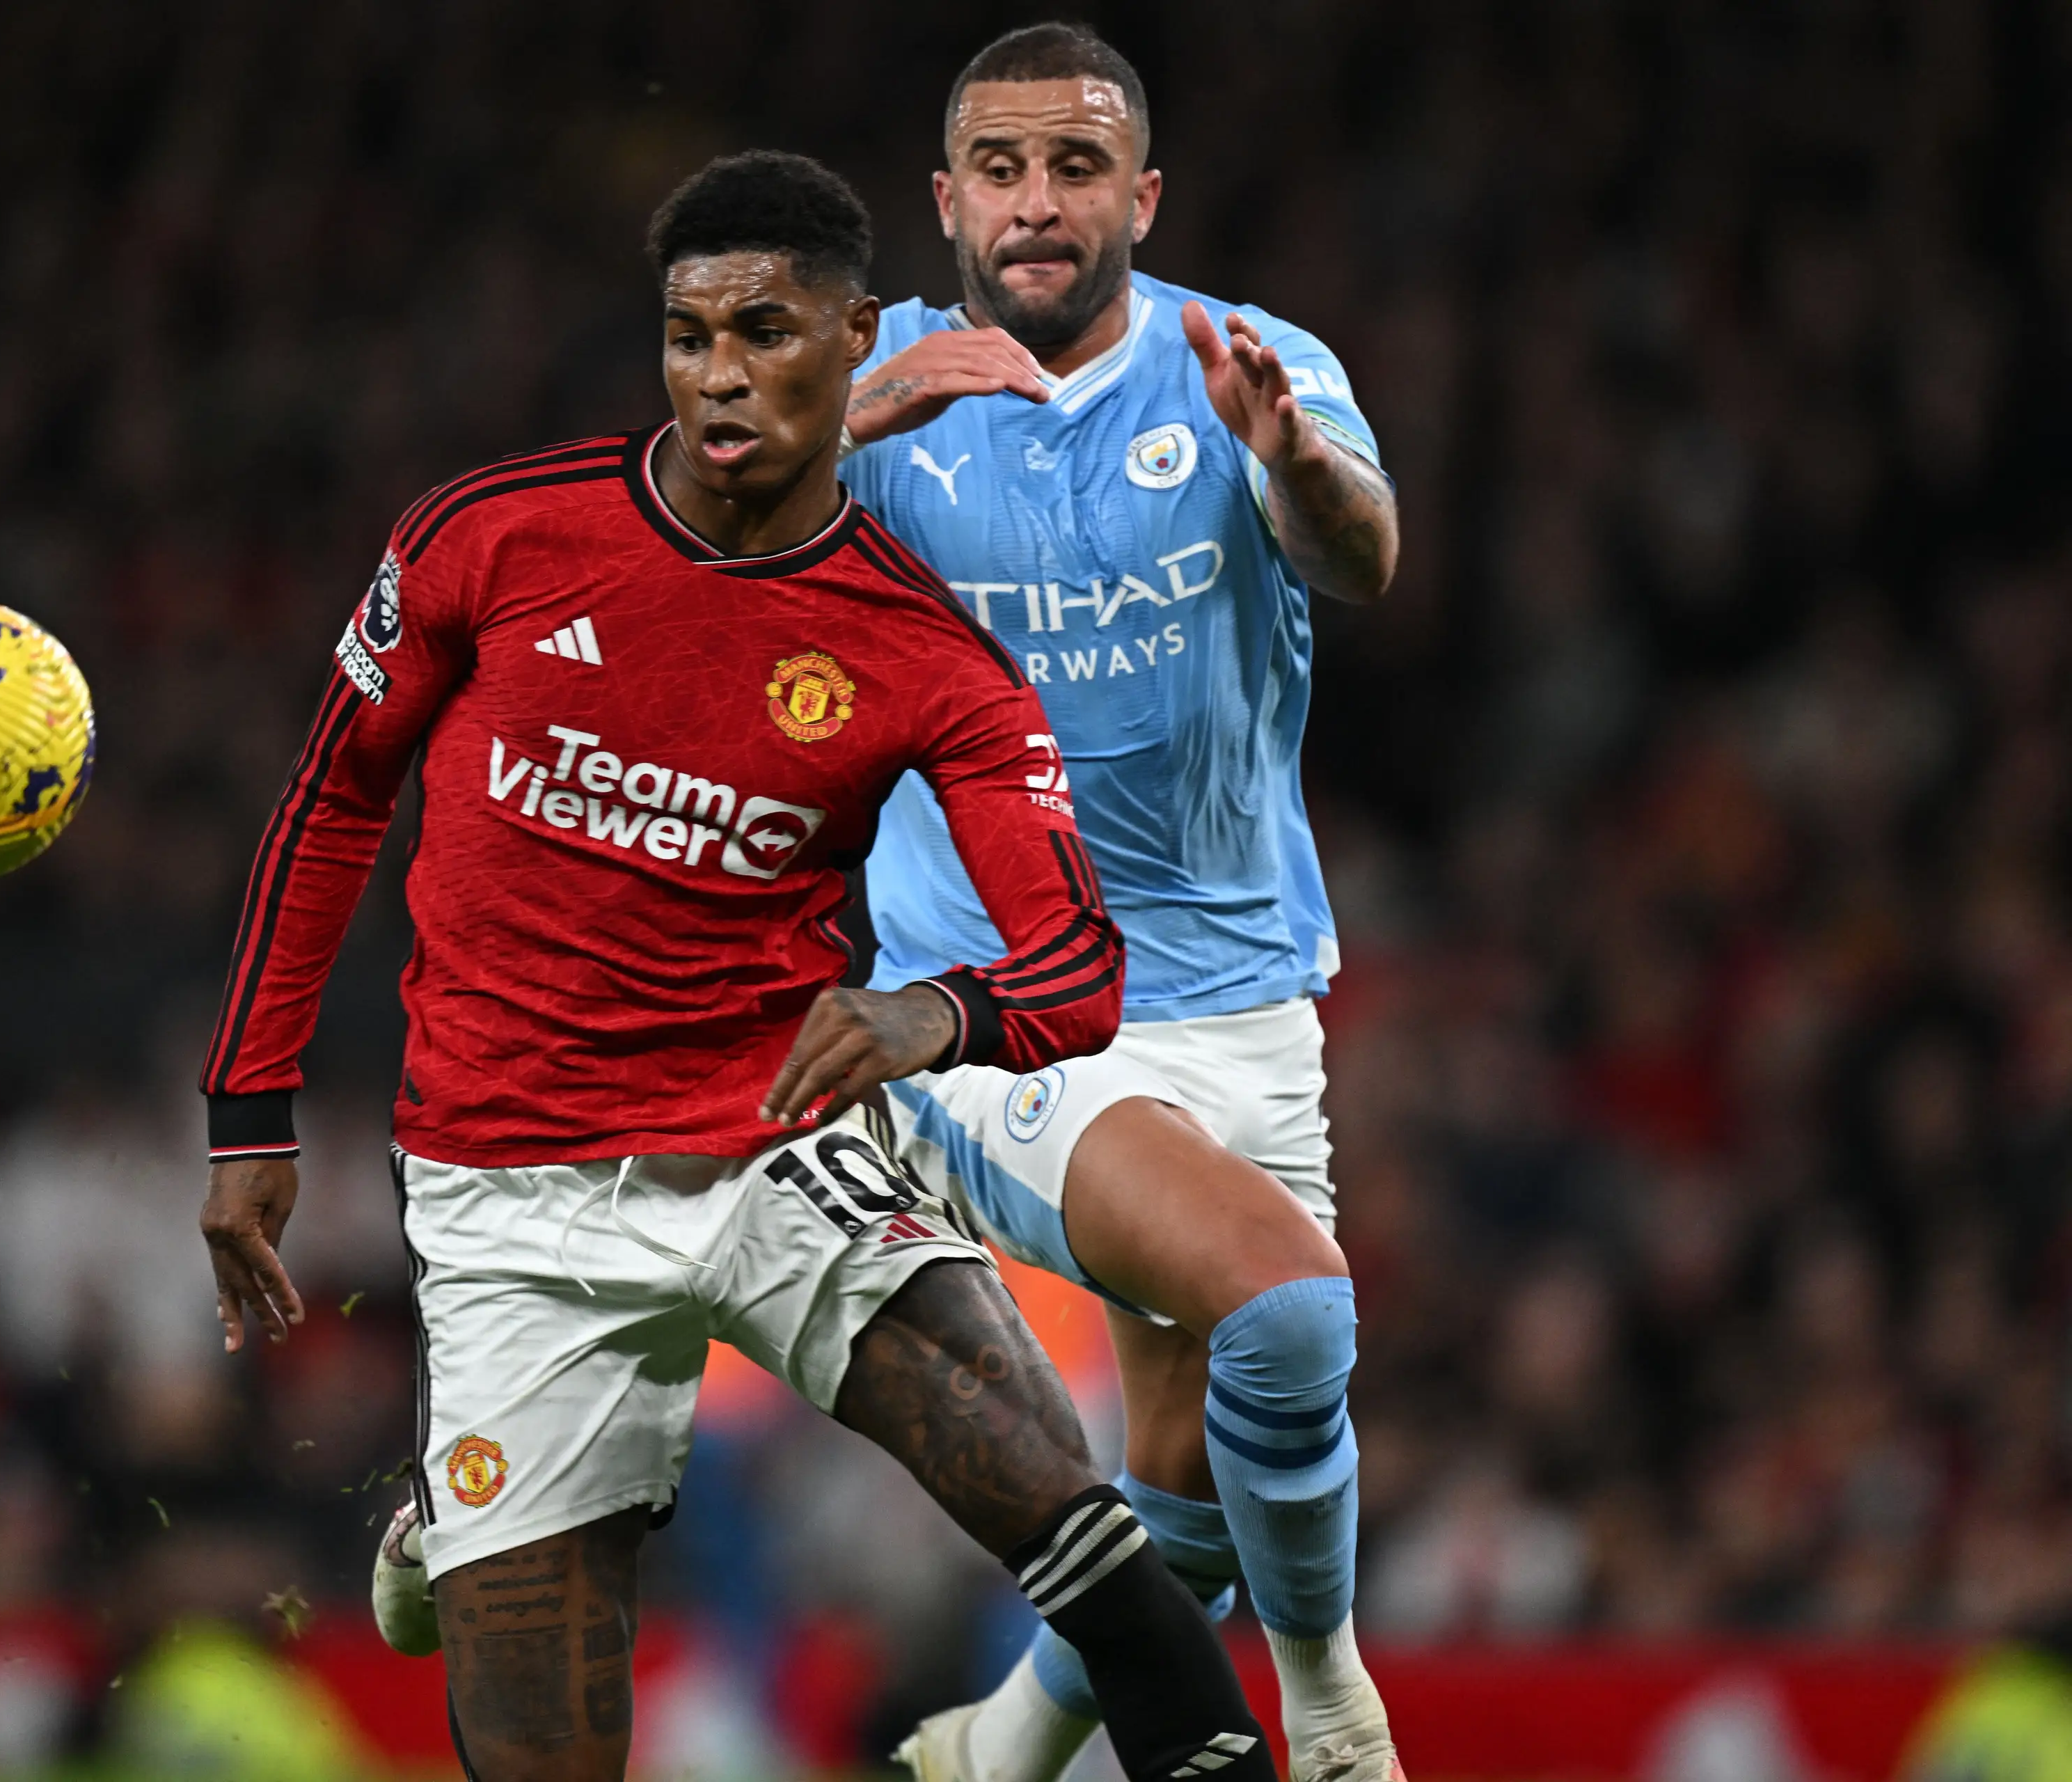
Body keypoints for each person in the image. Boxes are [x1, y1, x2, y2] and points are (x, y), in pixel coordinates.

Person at [202, 150, 1274, 1782]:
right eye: (688, 335)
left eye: (765, 332)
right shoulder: (489, 539)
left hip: (775, 1150)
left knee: (1066, 1512)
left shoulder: (920, 651)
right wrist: (248, 1110)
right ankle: (461, 1491)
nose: (718, 373)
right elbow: (333, 798)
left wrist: (937, 1014)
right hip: (511, 1195)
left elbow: (1078, 965)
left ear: (858, 339)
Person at [835, 24, 1407, 1782]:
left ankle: (991, 1750)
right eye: (1000, 169)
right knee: (1294, 1313)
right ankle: (1331, 1701)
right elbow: (653, 548)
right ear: (946, 201)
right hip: (999, 1000)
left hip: (1237, 994)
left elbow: (1361, 555)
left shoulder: (1250, 362)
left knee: (1199, 1483)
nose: (1037, 203)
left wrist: (1289, 458)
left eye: (1076, 168)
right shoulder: (873, 389)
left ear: (1141, 197)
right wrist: (837, 422)